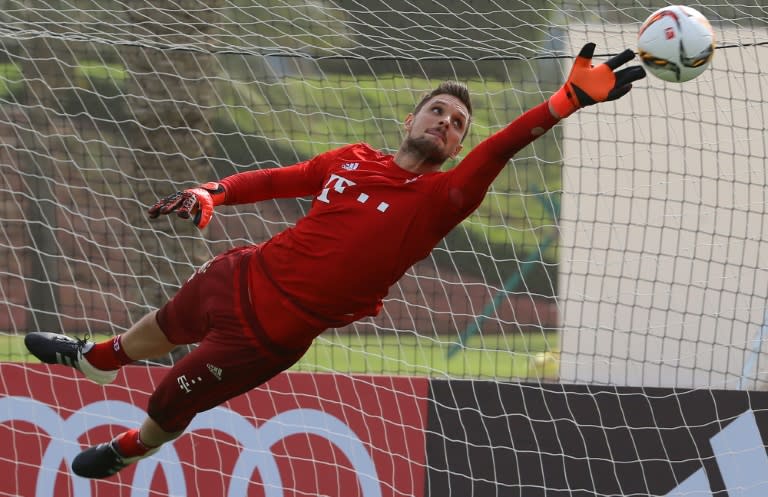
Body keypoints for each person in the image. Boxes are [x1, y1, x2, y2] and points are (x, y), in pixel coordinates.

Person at [24, 43, 645, 479]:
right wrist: (213, 192)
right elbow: (274, 179)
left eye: (458, 125)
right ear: (411, 118)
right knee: (161, 327)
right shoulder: (349, 158)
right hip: (243, 270)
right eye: (438, 111)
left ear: (457, 148)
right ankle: (96, 358)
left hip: (268, 336)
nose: (447, 123)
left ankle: (132, 449)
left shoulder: (443, 198)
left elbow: (504, 145)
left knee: (167, 400)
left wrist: (564, 102)